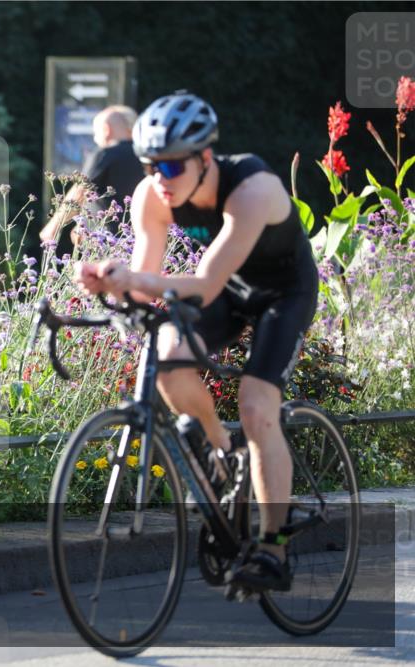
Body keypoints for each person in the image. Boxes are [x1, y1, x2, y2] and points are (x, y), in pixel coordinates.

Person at [72, 91, 318, 593]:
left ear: (205, 158)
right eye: (148, 166)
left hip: (282, 293)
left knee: (256, 407)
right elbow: (149, 275)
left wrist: (137, 282)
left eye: (170, 167)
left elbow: (202, 284)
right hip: (230, 289)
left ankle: (273, 546)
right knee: (166, 355)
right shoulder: (151, 196)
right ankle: (220, 449)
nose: (159, 180)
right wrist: (109, 278)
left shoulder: (252, 188)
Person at [40, 105, 144, 254]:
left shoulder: (104, 154)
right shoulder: (147, 155)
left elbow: (80, 191)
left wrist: (52, 227)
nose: (95, 139)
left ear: (106, 130)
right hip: (143, 241)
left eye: (96, 133)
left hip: (107, 243)